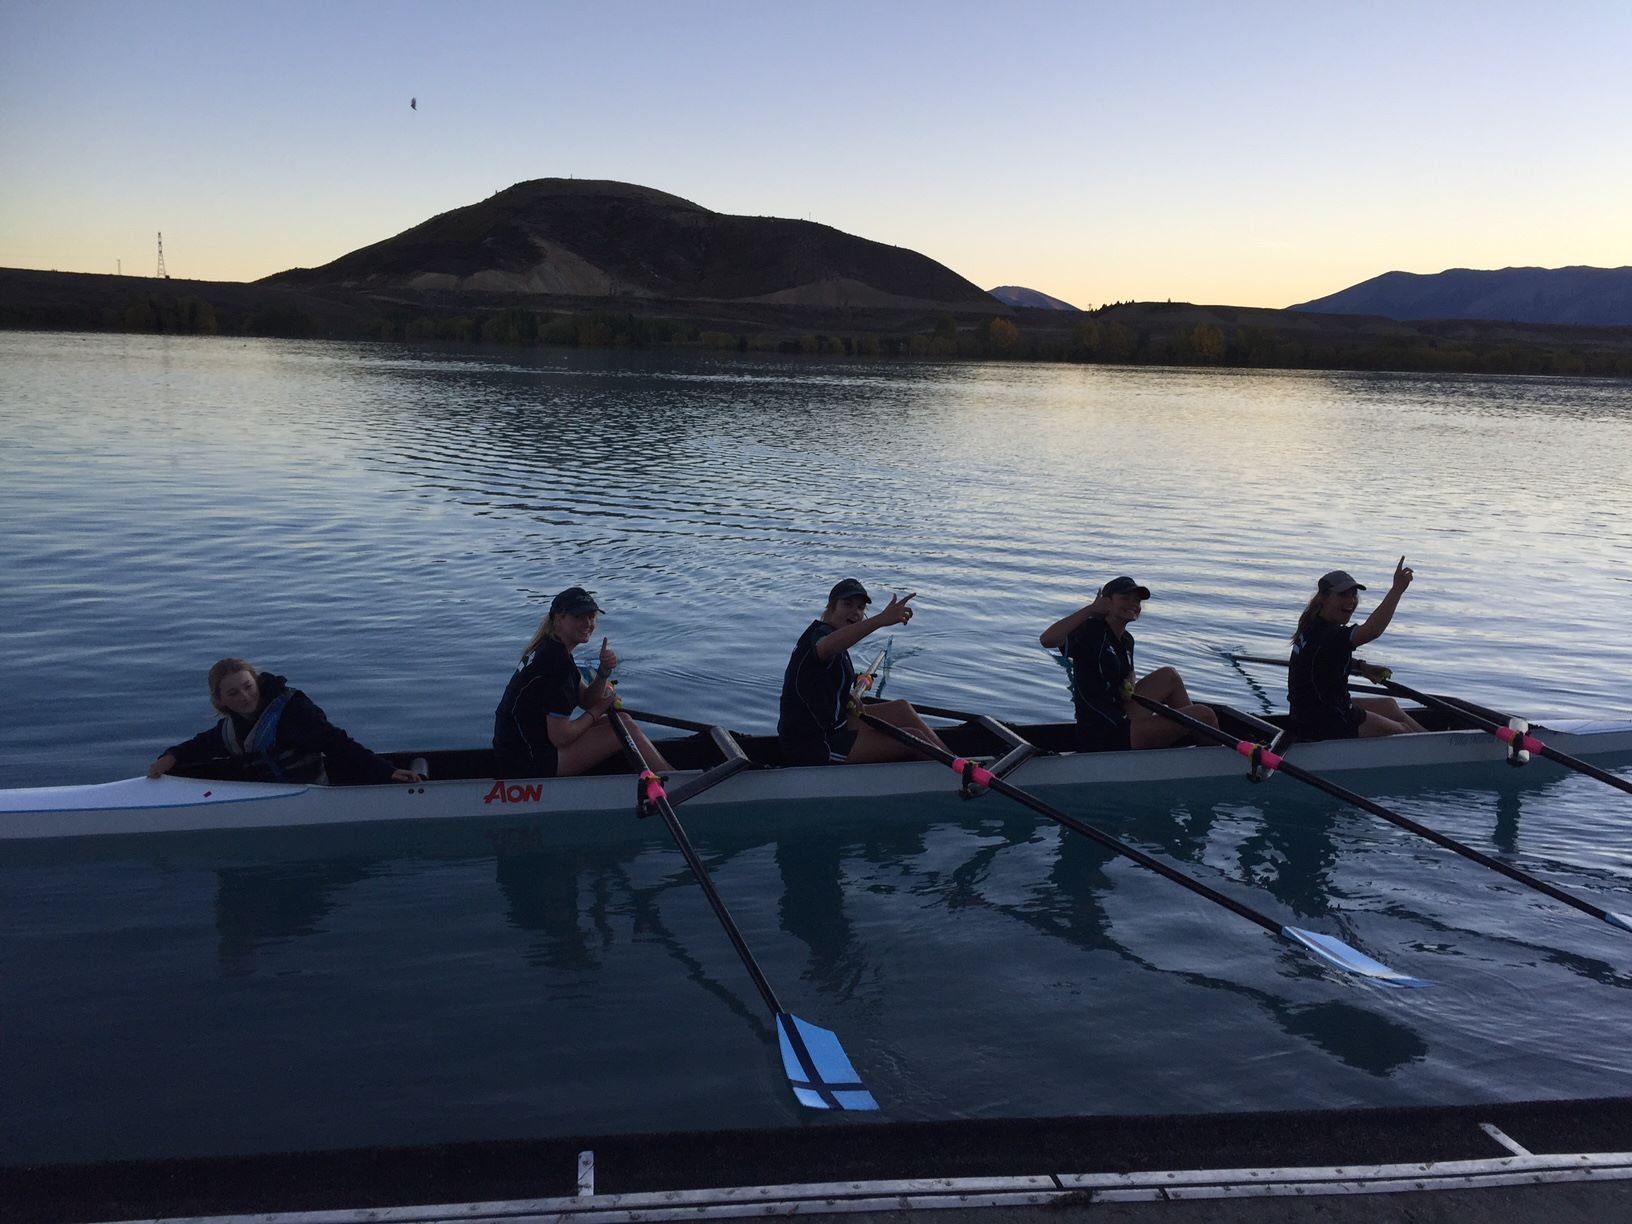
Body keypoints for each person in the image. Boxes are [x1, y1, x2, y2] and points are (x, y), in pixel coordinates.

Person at [147, 659, 421, 784]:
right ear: (220, 700)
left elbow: (337, 743)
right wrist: (169, 758)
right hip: (265, 798)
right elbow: (199, 746)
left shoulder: (294, 712)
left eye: (248, 687)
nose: (244, 696)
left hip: (313, 794)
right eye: (233, 693)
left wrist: (386, 772)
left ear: (256, 682)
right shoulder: (230, 730)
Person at [493, 587, 673, 778]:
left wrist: (603, 672)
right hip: (527, 764)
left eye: (591, 616)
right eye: (579, 616)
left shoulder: (552, 648)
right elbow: (561, 737)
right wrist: (598, 710)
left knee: (623, 720)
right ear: (559, 619)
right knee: (624, 731)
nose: (588, 623)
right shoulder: (555, 664)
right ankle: (674, 781)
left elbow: (586, 700)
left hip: (518, 751)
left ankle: (665, 775)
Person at [777, 578, 950, 766]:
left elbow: (820, 684)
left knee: (901, 709)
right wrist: (880, 620)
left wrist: (845, 697)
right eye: (847, 604)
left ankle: (959, 763)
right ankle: (955, 774)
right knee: (914, 739)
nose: (855, 612)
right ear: (831, 608)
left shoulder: (833, 638)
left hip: (835, 724)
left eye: (860, 608)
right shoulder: (819, 636)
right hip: (815, 744)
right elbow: (826, 647)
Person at [1039, 576, 1219, 752]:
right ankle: (1211, 756)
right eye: (1125, 598)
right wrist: (1091, 609)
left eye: (1137, 600)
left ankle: (1193, 737)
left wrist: (1130, 681)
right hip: (1104, 733)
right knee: (1204, 715)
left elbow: (1123, 676)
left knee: (1169, 675)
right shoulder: (1089, 633)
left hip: (1119, 713)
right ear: (1106, 602)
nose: (1133, 604)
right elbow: (1047, 639)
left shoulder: (1126, 640)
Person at [1288, 558, 1426, 740]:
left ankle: (1438, 744)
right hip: (1323, 721)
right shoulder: (1329, 634)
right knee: (1404, 732)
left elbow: (1324, 659)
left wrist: (1361, 666)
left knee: (1389, 706)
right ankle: (1435, 749)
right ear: (1323, 597)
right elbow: (1372, 631)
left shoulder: (1313, 624)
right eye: (1342, 595)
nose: (1351, 601)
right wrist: (1397, 590)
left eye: (1353, 595)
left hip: (1309, 710)